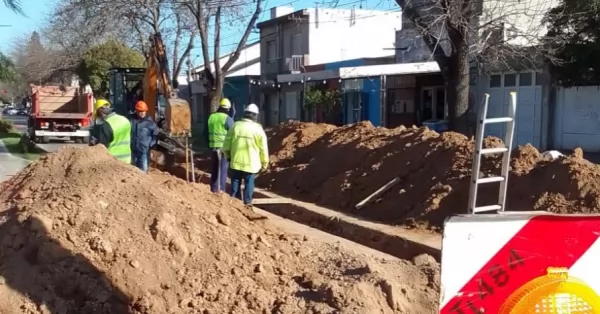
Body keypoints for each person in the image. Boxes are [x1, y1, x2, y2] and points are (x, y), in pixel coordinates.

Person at [222, 104, 269, 206]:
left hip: (236, 161)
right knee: (249, 182)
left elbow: (226, 144)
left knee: (235, 180)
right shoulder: (258, 129)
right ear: (255, 116)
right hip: (251, 163)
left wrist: (228, 156)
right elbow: (263, 149)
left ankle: (234, 201)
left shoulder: (235, 126)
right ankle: (247, 203)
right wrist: (264, 163)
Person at [204, 98, 235, 193]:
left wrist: (208, 145)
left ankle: (213, 190)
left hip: (213, 148)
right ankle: (221, 191)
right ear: (228, 109)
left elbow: (205, 133)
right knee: (223, 171)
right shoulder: (228, 119)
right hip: (224, 150)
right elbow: (233, 134)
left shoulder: (211, 117)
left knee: (215, 171)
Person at [90, 99, 132, 164]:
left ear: (101, 113)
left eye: (98, 116)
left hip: (113, 161)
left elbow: (101, 147)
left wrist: (94, 142)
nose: (99, 118)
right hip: (127, 159)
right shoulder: (125, 120)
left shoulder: (106, 125)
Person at [130, 100, 159, 173]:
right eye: (140, 111)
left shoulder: (149, 123)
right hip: (133, 149)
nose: (142, 113)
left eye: (143, 111)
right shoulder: (131, 120)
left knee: (144, 168)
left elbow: (155, 133)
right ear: (136, 111)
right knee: (133, 168)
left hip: (144, 150)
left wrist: (151, 144)